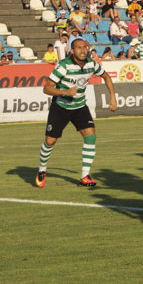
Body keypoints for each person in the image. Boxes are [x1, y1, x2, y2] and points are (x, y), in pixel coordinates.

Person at [35, 38, 117, 188]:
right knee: (50, 141)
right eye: (79, 47)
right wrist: (65, 92)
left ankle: (84, 176)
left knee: (91, 136)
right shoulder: (63, 66)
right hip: (60, 107)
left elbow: (106, 76)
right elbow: (47, 88)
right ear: (72, 51)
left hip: (79, 106)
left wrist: (112, 97)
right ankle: (42, 169)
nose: (82, 50)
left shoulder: (92, 64)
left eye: (85, 47)